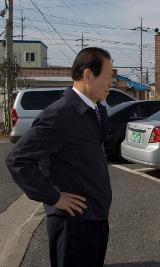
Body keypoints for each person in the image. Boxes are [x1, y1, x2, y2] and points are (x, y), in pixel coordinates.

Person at [6, 47, 113, 267]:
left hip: (95, 215)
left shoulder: (96, 110)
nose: (111, 81)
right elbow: (17, 159)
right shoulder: (61, 113)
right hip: (72, 223)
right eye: (108, 76)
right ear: (87, 75)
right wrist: (54, 197)